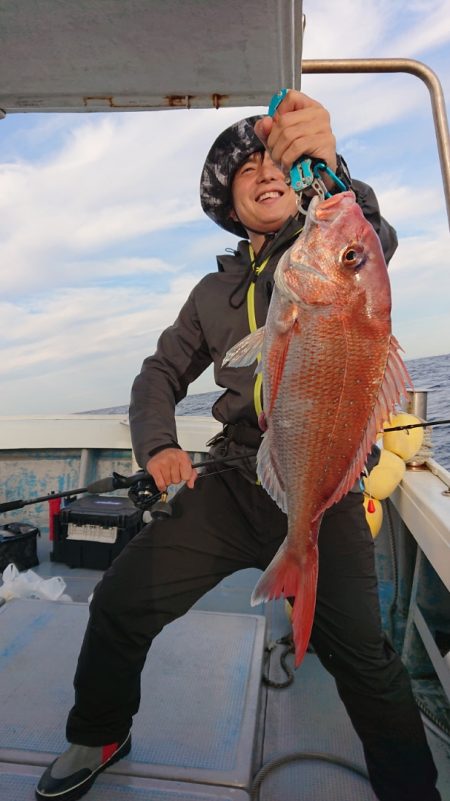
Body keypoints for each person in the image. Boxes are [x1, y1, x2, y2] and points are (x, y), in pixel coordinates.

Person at [36, 90, 441, 801]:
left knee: (366, 662)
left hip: (325, 486)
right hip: (233, 477)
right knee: (122, 599)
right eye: (246, 168)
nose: (265, 170)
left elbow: (366, 235)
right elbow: (160, 372)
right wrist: (158, 444)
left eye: (274, 159)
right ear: (228, 205)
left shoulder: (323, 248)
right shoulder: (210, 292)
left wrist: (328, 165)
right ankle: (99, 729)